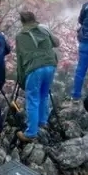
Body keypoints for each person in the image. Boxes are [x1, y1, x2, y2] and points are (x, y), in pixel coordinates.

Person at [15, 11, 60, 142]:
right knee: (44, 94)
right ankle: (42, 121)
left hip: (34, 68)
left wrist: (20, 77)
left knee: (32, 99)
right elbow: (57, 43)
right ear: (35, 19)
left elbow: (20, 58)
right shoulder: (44, 29)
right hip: (50, 65)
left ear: (22, 22)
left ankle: (30, 133)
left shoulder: (20, 36)